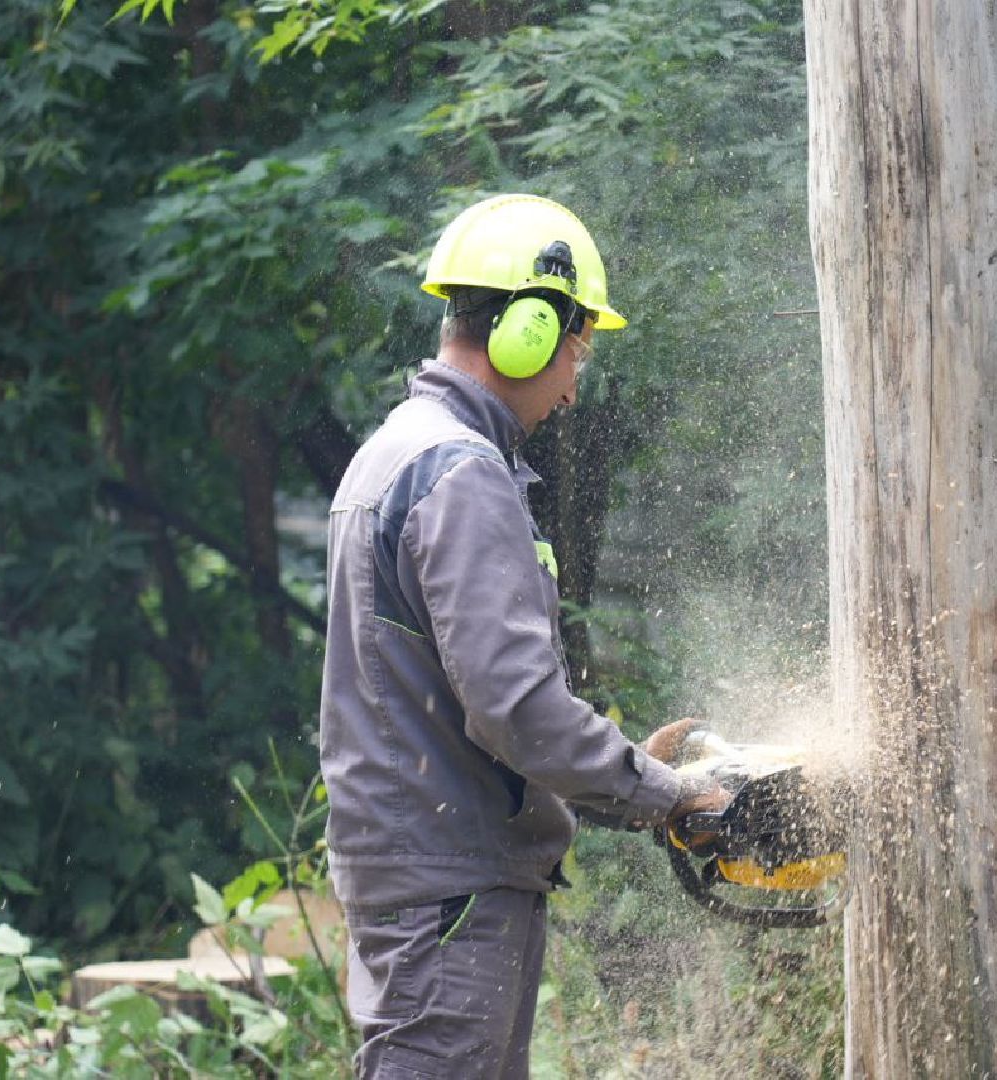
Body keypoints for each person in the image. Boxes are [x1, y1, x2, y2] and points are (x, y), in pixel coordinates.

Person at [318, 193, 728, 1079]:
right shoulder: (458, 473)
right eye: (577, 350)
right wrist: (662, 789)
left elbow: (449, 703)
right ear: (530, 331)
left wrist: (618, 784)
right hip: (450, 886)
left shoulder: (397, 451)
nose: (574, 386)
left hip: (428, 871)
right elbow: (512, 708)